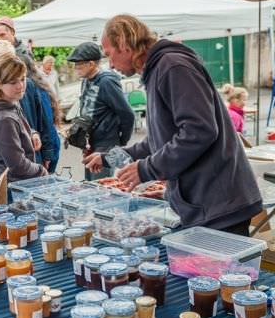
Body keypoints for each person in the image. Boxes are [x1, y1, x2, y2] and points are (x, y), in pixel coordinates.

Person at [84, 14, 262, 235]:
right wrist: (110, 157)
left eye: (109, 54)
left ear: (123, 44)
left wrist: (147, 169)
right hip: (204, 203)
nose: (110, 64)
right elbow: (160, 140)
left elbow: (199, 130)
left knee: (222, 269)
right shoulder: (158, 70)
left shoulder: (172, 66)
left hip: (219, 204)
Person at [0, 53, 48, 203]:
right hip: (6, 189)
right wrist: (41, 170)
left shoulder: (7, 100)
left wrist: (31, 133)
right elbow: (17, 165)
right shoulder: (4, 118)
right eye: (13, 82)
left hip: (10, 184)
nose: (20, 86)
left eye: (22, 79)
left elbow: (16, 126)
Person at [0, 40, 53, 171]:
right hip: (10, 173)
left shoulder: (27, 86)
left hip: (30, 160)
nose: (10, 67)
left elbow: (43, 119)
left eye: (12, 60)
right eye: (3, 62)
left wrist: (33, 134)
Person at [67, 41, 135, 180]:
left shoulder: (107, 82)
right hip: (90, 143)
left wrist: (122, 141)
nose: (75, 68)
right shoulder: (86, 80)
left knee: (104, 190)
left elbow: (127, 114)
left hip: (107, 145)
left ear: (91, 64)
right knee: (91, 184)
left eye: (78, 64)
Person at [22, 54, 61, 173]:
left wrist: (47, 153)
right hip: (45, 144)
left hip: (47, 145)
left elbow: (47, 121)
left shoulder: (34, 86)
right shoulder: (33, 84)